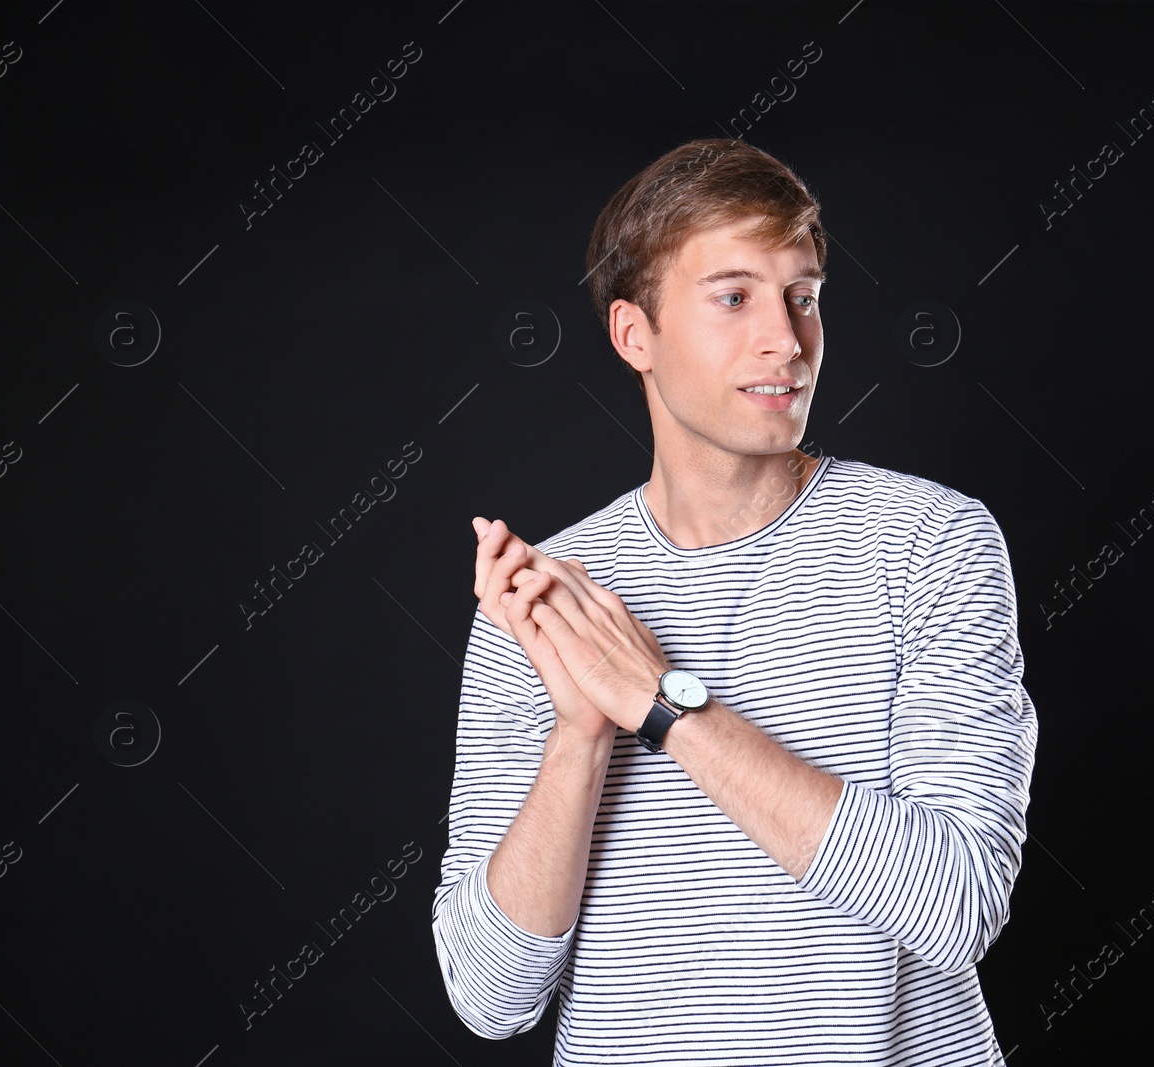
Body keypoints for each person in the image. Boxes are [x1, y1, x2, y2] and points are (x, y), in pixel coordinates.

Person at [431, 137, 1038, 1066]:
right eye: (734, 296)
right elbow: (488, 994)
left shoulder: (931, 543)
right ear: (636, 334)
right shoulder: (554, 601)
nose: (786, 340)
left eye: (804, 296)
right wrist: (582, 735)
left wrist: (665, 705)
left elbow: (955, 906)